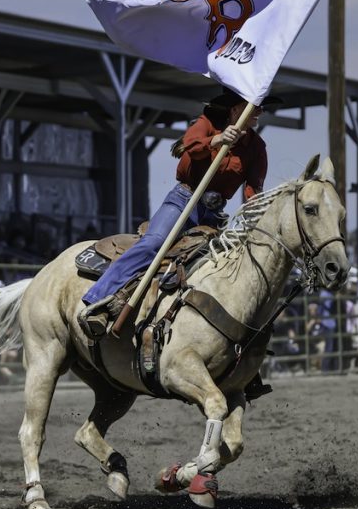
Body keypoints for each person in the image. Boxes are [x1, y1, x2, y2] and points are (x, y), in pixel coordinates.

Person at [78, 89, 276, 340]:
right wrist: (218, 140)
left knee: (222, 265)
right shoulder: (206, 124)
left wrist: (255, 215)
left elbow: (252, 190)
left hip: (213, 213)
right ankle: (99, 298)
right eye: (255, 106)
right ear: (236, 109)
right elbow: (191, 147)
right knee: (154, 243)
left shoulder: (256, 147)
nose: (260, 111)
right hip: (184, 199)